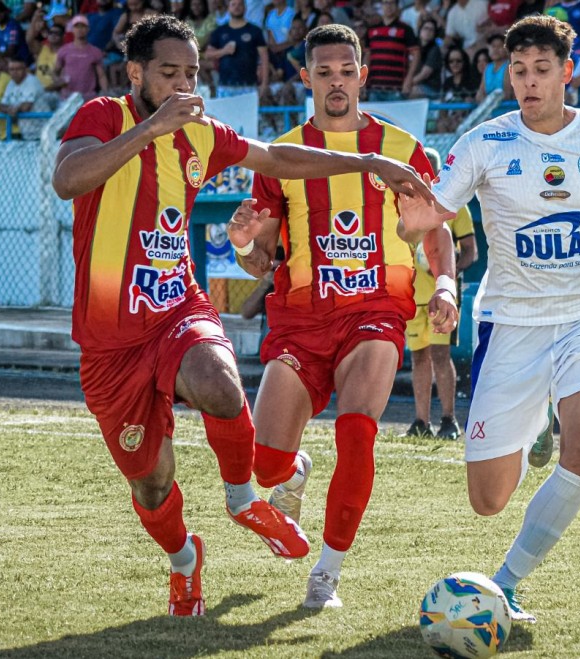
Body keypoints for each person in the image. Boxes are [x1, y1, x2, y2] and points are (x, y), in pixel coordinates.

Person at [49, 14, 436, 618]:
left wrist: (365, 165)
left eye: (192, 74)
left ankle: (243, 500)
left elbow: (278, 158)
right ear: (135, 73)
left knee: (220, 384)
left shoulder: (202, 131)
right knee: (151, 484)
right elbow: (68, 179)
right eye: (168, 73)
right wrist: (151, 128)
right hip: (109, 340)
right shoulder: (104, 115)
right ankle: (184, 561)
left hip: (178, 306)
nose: (183, 86)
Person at [399, 14, 580, 623]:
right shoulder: (485, 142)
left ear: (568, 72)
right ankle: (535, 421)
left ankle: (506, 583)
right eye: (519, 71)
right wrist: (407, 213)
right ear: (507, 75)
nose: (529, 82)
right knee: (488, 500)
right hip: (510, 324)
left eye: (541, 70)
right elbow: (425, 218)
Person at [223, 23, 457, 609]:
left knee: (357, 434)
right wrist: (245, 245)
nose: (336, 82)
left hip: (375, 313)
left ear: (362, 74)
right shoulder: (281, 155)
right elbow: (261, 263)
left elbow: (436, 232)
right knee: (264, 463)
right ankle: (293, 472)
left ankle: (326, 573)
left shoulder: (402, 149)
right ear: (305, 77)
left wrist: (447, 284)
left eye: (346, 71)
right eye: (323, 72)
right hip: (300, 322)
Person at [406, 146, 477, 440]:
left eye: (428, 171)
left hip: (440, 294)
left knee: (439, 353)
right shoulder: (404, 203)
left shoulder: (454, 204)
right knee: (418, 356)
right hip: (411, 294)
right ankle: (421, 421)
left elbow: (471, 251)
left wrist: (446, 275)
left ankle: (449, 419)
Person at [204, 0, 269, 98]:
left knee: (247, 113)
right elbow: (208, 54)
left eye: (240, 4)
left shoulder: (255, 31)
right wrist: (224, 51)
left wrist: (264, 84)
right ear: (228, 8)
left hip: (249, 85)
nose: (237, 7)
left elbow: (264, 58)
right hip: (225, 86)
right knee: (224, 114)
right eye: (233, 4)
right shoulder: (220, 31)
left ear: (245, 7)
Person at [364, 0, 420, 101]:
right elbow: (367, 57)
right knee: (374, 117)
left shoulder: (406, 29)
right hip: (374, 87)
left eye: (391, 3)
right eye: (385, 3)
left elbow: (416, 55)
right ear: (381, 6)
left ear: (397, 6)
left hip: (397, 88)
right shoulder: (371, 30)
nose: (388, 6)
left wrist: (409, 79)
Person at [56, 15, 110, 101]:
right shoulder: (64, 50)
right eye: (77, 26)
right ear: (72, 29)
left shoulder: (95, 51)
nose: (80, 29)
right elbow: (55, 71)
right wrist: (59, 81)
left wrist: (106, 93)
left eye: (83, 26)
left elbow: (102, 76)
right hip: (67, 97)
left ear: (88, 29)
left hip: (88, 97)